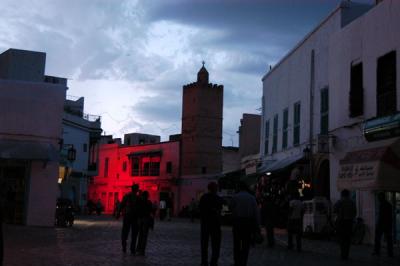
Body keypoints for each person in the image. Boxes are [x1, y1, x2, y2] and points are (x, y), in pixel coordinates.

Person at [231, 182, 259, 266]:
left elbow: (231, 209)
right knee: (246, 245)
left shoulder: (235, 197)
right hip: (248, 223)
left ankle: (237, 262)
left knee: (236, 244)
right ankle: (243, 262)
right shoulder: (252, 198)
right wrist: (257, 226)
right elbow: (256, 213)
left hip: (237, 222)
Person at [199, 182, 224, 266]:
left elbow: (199, 210)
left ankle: (204, 262)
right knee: (216, 245)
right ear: (216, 189)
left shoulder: (203, 198)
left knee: (204, 244)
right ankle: (214, 262)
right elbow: (226, 211)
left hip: (205, 223)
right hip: (216, 224)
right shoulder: (219, 199)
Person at [333, 189, 356, 260]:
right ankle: (346, 254)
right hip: (349, 221)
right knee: (347, 239)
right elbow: (355, 212)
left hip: (341, 221)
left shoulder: (340, 202)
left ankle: (343, 253)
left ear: (342, 194)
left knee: (342, 238)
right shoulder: (352, 202)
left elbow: (334, 210)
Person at [117, 184, 140, 254]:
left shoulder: (127, 196)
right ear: (136, 189)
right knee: (134, 234)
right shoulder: (138, 197)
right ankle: (132, 249)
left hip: (127, 216)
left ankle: (124, 246)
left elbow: (121, 205)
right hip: (134, 217)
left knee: (125, 232)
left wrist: (118, 213)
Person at [373, 192, 393, 257]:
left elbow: (381, 216)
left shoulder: (382, 205)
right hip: (388, 224)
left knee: (378, 238)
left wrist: (378, 223)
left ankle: (377, 251)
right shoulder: (389, 205)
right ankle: (390, 253)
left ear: (381, 197)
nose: (378, 198)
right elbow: (390, 215)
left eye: (379, 197)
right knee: (389, 239)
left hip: (382, 224)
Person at [137, 191, 153, 256]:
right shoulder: (149, 202)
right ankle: (142, 250)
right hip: (146, 219)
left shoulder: (140, 202)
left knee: (140, 235)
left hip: (140, 219)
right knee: (144, 236)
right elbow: (151, 212)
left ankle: (138, 248)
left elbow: (137, 210)